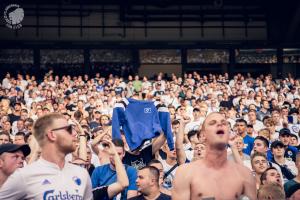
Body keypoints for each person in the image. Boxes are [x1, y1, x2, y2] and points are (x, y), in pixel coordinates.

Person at [0, 113, 93, 199]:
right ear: (52, 135)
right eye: (68, 129)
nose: (74, 133)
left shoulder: (82, 174)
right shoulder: (24, 176)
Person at [172, 112, 256, 200]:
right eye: (212, 123)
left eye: (224, 123)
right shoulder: (185, 172)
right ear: (203, 135)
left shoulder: (245, 174)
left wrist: (233, 147)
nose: (220, 124)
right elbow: (178, 147)